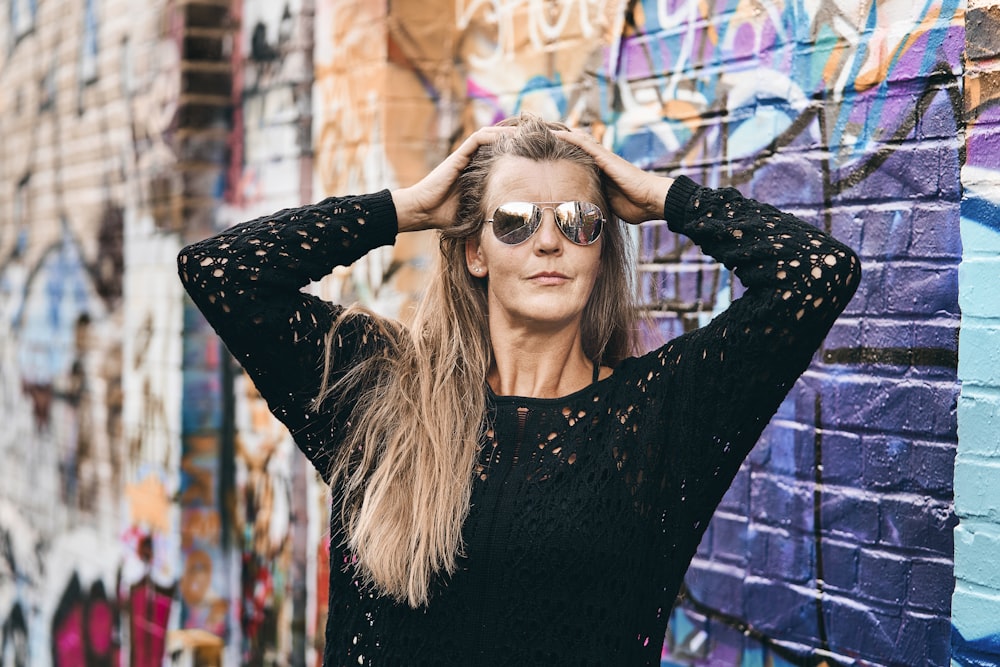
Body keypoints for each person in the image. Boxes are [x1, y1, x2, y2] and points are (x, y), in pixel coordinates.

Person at [178, 114, 860, 666]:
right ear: (475, 250)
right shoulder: (384, 394)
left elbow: (819, 273)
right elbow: (220, 272)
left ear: (600, 248)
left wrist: (660, 198)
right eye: (514, 220)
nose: (549, 241)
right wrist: (406, 207)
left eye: (579, 220)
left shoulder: (658, 415)